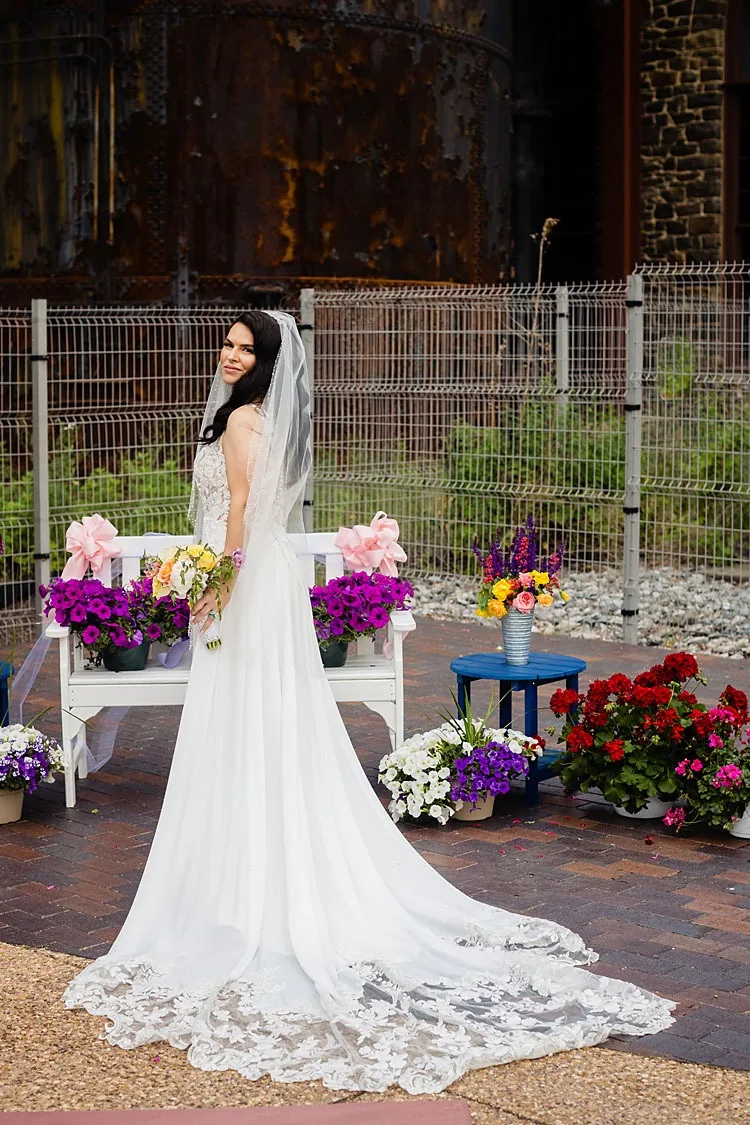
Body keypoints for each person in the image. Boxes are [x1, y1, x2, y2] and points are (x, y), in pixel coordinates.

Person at [64, 311, 674, 1094]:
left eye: (246, 348)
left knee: (255, 727)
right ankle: (230, 870)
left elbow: (244, 512)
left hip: (246, 587)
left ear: (266, 364)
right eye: (227, 342)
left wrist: (214, 584)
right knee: (240, 731)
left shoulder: (247, 421)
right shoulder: (233, 412)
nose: (230, 353)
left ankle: (255, 882)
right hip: (241, 583)